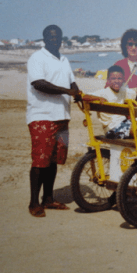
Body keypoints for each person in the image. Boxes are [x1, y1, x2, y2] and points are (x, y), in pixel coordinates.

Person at [26, 25, 80, 218]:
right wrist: (66, 91)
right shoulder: (37, 58)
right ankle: (34, 202)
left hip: (62, 117)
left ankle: (48, 198)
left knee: (54, 159)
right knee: (40, 160)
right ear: (44, 38)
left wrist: (77, 93)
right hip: (42, 116)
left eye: (57, 37)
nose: (54, 39)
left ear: (61, 38)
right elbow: (38, 83)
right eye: (50, 37)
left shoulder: (64, 59)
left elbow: (71, 82)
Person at [84, 65, 137, 139]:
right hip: (112, 128)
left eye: (119, 78)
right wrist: (98, 98)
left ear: (123, 80)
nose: (116, 81)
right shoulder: (103, 92)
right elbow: (84, 96)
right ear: (108, 80)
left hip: (125, 123)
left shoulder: (123, 91)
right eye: (113, 78)